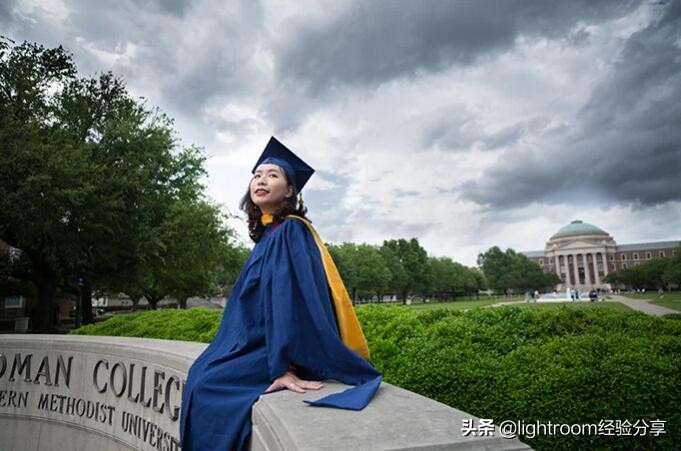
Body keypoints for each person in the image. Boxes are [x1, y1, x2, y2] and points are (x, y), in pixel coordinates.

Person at [179, 137, 382, 450]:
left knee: (209, 385)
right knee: (200, 373)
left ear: (289, 191)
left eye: (273, 175)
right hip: (255, 341)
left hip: (272, 347)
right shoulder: (268, 236)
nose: (261, 180)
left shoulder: (291, 231)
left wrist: (283, 366)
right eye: (257, 174)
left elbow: (288, 302)